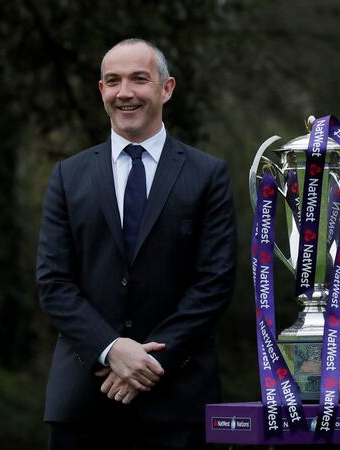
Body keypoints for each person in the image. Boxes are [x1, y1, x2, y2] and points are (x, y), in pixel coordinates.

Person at [36, 38, 236, 450]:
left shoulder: (208, 175)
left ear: (167, 88)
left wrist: (148, 362)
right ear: (102, 91)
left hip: (178, 402)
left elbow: (214, 282)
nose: (125, 92)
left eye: (138, 79)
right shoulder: (67, 176)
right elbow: (54, 283)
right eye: (113, 81)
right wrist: (110, 349)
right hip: (84, 403)